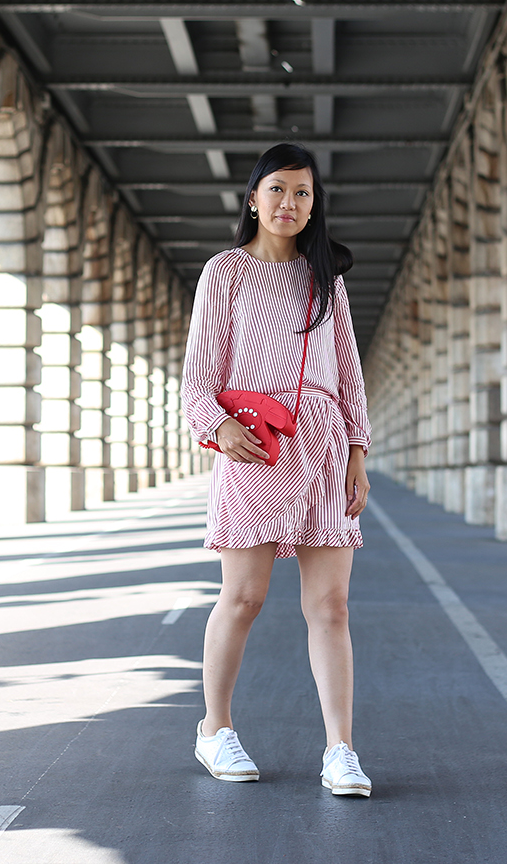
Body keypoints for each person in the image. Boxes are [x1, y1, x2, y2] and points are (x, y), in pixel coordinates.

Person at [180, 143, 374, 798]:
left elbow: (349, 375)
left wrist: (357, 453)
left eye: (303, 193)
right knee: (244, 597)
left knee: (332, 606)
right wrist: (219, 426)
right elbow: (197, 380)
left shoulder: (327, 281)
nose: (290, 203)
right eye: (279, 189)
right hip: (254, 448)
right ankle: (215, 728)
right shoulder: (225, 273)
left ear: (314, 205)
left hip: (322, 451)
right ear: (254, 197)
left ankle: (340, 749)